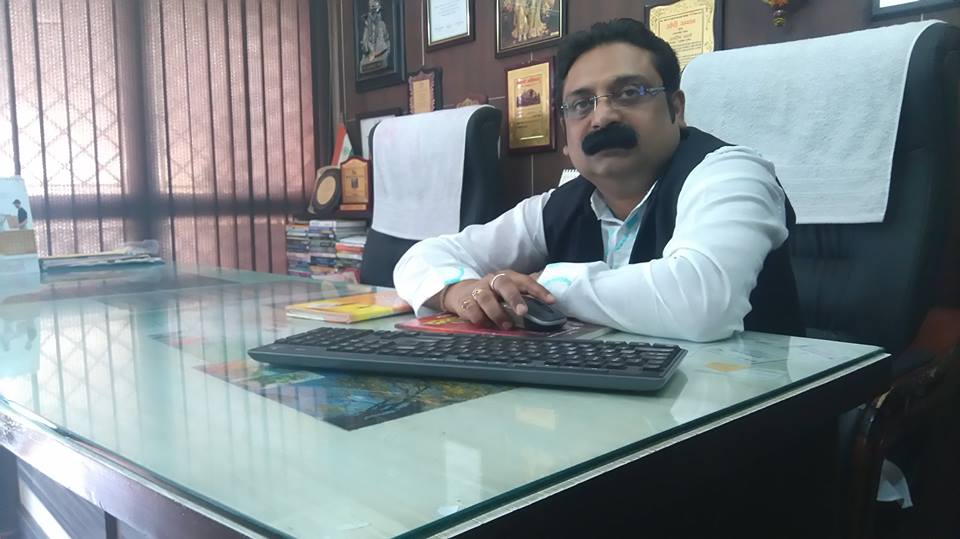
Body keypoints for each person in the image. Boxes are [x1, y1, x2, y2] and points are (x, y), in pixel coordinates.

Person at [393, 18, 803, 342]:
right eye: (581, 104)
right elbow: (421, 257)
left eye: (630, 93)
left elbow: (702, 304)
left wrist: (542, 287)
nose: (602, 117)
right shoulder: (559, 205)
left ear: (676, 109)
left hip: (752, 412)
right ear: (566, 133)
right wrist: (458, 290)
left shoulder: (732, 173)